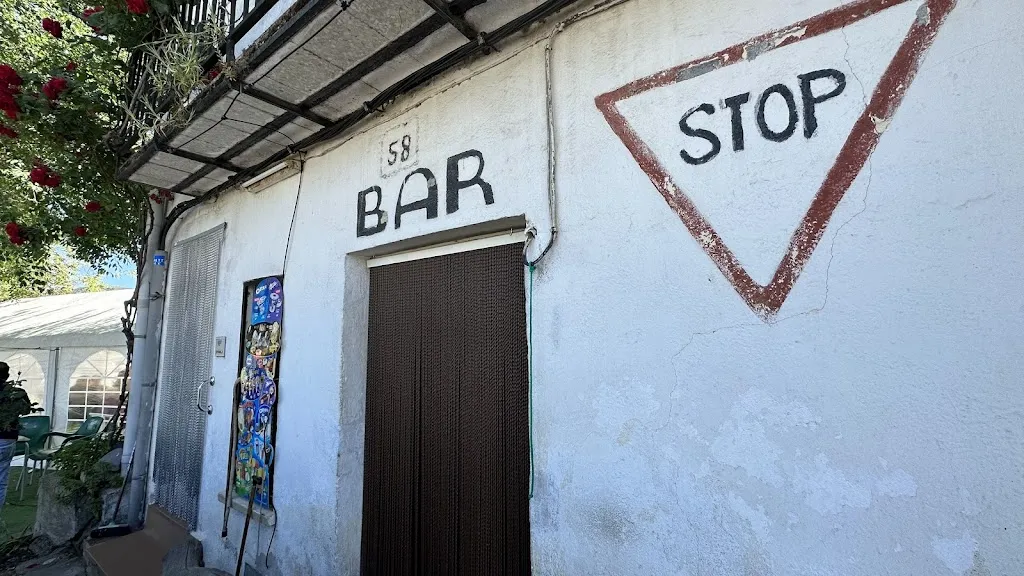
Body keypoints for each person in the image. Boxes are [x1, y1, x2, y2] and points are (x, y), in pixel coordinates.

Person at [0, 362, 33, 508]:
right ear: (7, 375)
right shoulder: (18, 393)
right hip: (7, 438)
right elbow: (26, 410)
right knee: (1, 479)